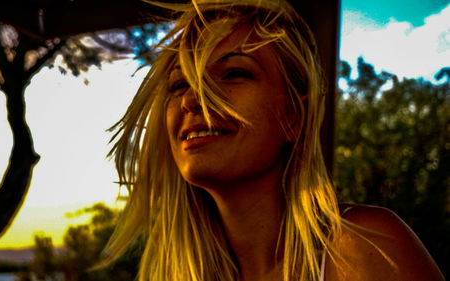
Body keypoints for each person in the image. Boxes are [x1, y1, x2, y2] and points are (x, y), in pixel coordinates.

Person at [104, 0, 445, 280]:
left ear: (294, 116)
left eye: (235, 73)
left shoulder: (364, 249)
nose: (192, 99)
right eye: (179, 84)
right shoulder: (169, 272)